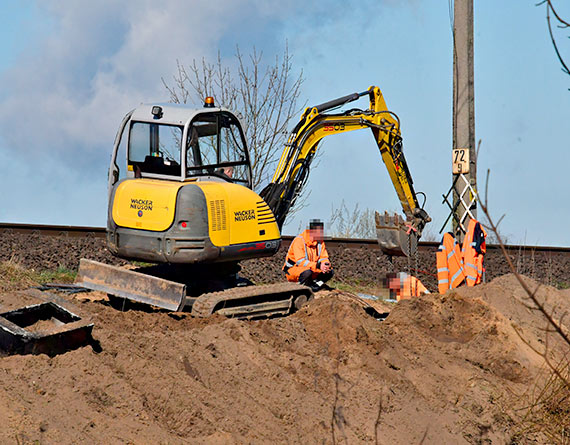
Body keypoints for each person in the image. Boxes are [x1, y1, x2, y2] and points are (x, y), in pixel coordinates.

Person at [283, 219, 333, 291]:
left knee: (330, 271)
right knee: (307, 272)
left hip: (312, 268)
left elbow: (324, 257)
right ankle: (299, 288)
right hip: (293, 270)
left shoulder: (320, 242)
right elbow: (300, 261)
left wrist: (326, 265)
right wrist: (318, 266)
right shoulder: (299, 241)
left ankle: (315, 286)